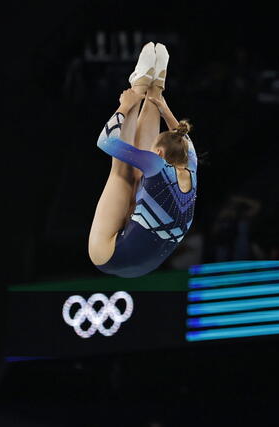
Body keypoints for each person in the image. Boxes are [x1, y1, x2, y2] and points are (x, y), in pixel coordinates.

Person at [89, 42, 199, 278]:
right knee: (127, 173)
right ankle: (143, 89)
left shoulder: (191, 162)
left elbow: (182, 136)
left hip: (115, 256)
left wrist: (149, 105)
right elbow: (107, 142)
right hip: (131, 260)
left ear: (159, 152)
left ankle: (150, 90)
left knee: (128, 174)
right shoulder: (162, 162)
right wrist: (133, 105)